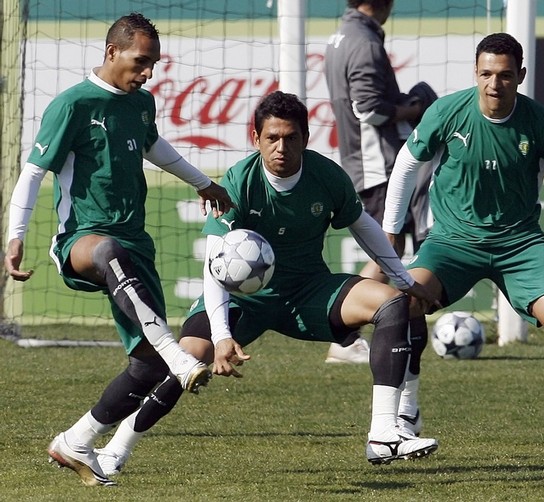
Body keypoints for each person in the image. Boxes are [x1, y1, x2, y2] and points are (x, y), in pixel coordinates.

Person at [92, 90, 442, 478]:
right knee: (187, 358)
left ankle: (382, 433)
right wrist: (222, 335)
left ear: (306, 139)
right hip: (243, 300)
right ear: (255, 138)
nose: (281, 147)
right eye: (272, 138)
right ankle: (115, 449)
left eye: (291, 138)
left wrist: (404, 279)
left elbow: (363, 226)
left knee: (393, 303)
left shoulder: (326, 176)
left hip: (309, 291)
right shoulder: (239, 181)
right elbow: (214, 266)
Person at [3, 13, 234, 486]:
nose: (148, 73)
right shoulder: (72, 103)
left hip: (137, 246)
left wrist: (204, 182)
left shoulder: (141, 103)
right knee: (109, 252)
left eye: (154, 63)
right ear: (112, 53)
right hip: (80, 242)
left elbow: (154, 147)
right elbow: (33, 172)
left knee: (144, 369)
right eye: (140, 61)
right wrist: (15, 234)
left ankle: (76, 439)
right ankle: (174, 351)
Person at [382, 32, 544, 459]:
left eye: (505, 75)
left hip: (519, 244)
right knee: (403, 302)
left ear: (520, 76)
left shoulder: (541, 122)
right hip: (451, 241)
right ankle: (406, 415)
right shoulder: (447, 112)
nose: (494, 84)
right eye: (486, 73)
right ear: (475, 72)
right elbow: (407, 165)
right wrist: (390, 234)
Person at [324, 0, 436, 367]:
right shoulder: (364, 41)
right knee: (387, 246)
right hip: (376, 164)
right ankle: (343, 333)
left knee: (390, 245)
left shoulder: (343, 34)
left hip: (362, 160)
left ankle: (347, 332)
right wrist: (414, 110)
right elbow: (369, 107)